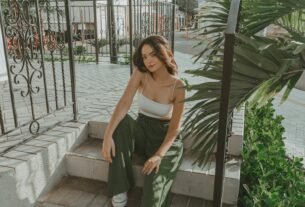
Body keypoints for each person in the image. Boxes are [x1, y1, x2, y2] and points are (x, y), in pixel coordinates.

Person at [101, 35, 185, 207]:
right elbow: (124, 103)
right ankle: (119, 189)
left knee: (152, 196)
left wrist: (159, 155)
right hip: (142, 129)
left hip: (164, 138)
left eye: (153, 54)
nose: (148, 60)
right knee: (122, 123)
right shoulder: (141, 74)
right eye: (145, 56)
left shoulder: (178, 86)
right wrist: (107, 136)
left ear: (165, 53)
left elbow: (175, 129)